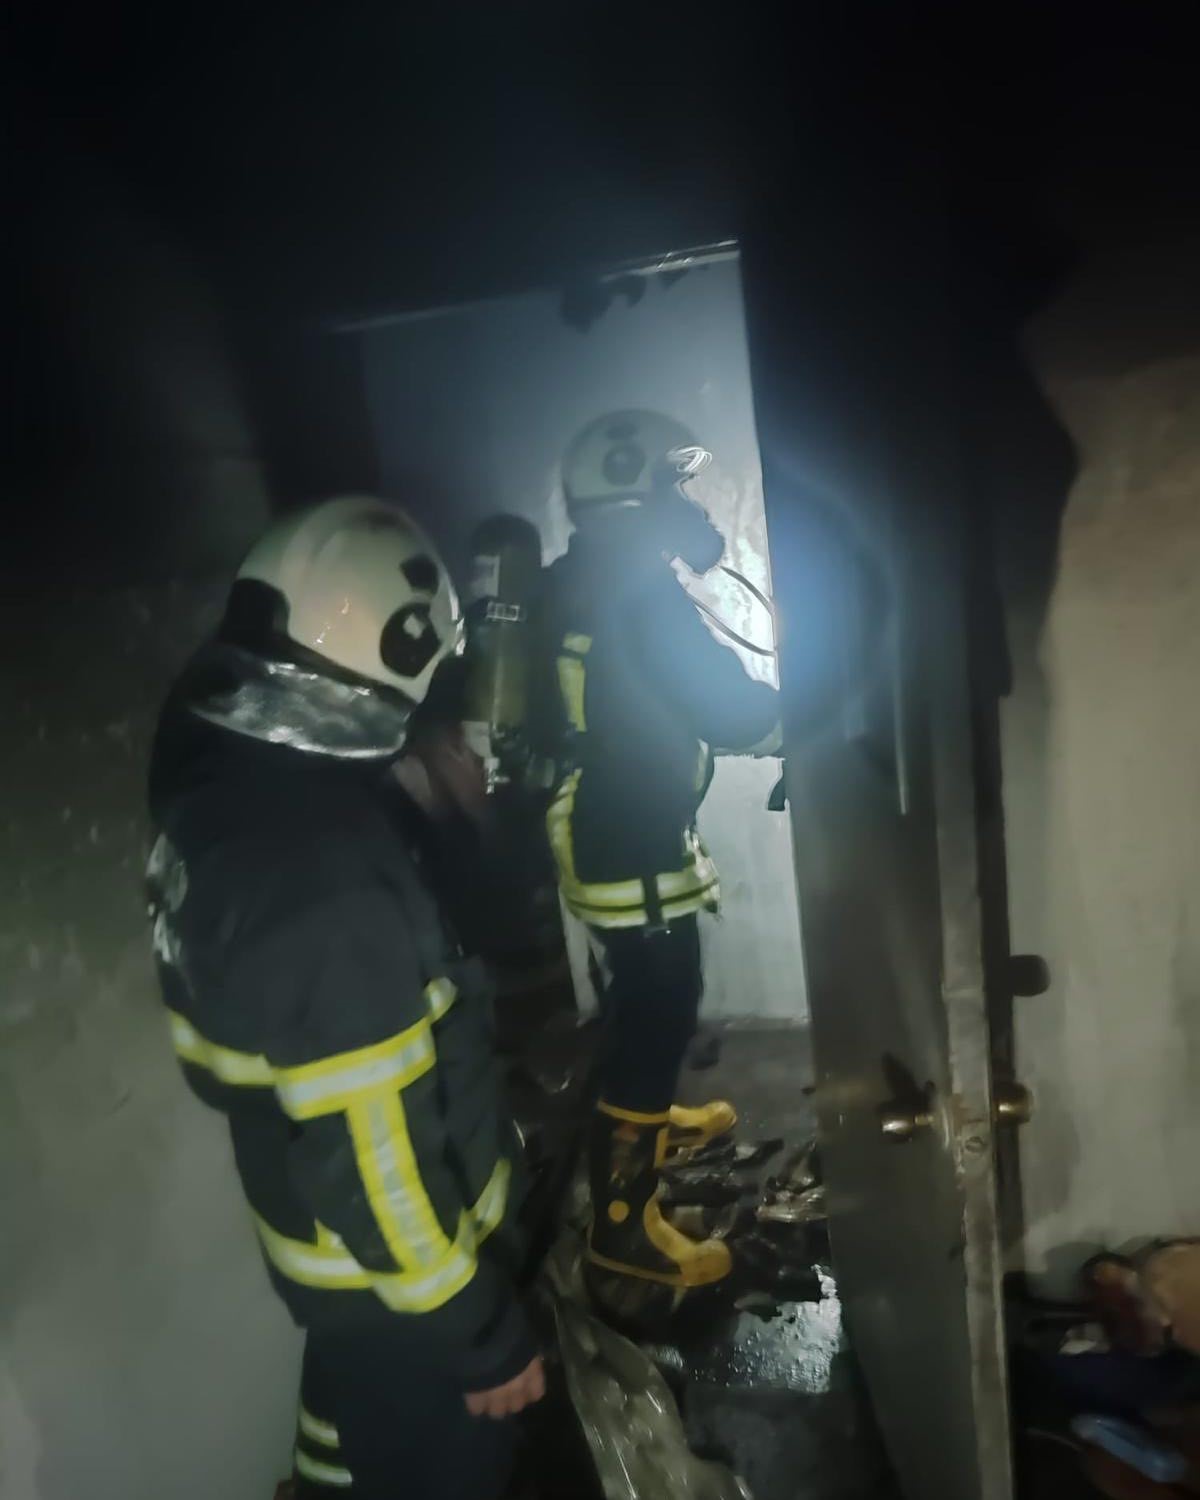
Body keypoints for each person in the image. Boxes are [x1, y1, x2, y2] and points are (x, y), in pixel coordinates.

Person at [146, 496, 543, 1500]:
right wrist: (481, 1336)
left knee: (352, 1428)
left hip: (331, 1269)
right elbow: (377, 1166)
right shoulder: (327, 880)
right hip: (404, 1290)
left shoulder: (218, 771)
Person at [537, 410, 781, 1288]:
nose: (693, 508)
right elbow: (731, 709)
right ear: (638, 500)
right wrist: (806, 722)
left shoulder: (579, 581)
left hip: (604, 824)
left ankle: (638, 1120)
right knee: (662, 1002)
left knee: (639, 995)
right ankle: (623, 1228)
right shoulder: (637, 595)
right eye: (678, 489)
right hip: (625, 833)